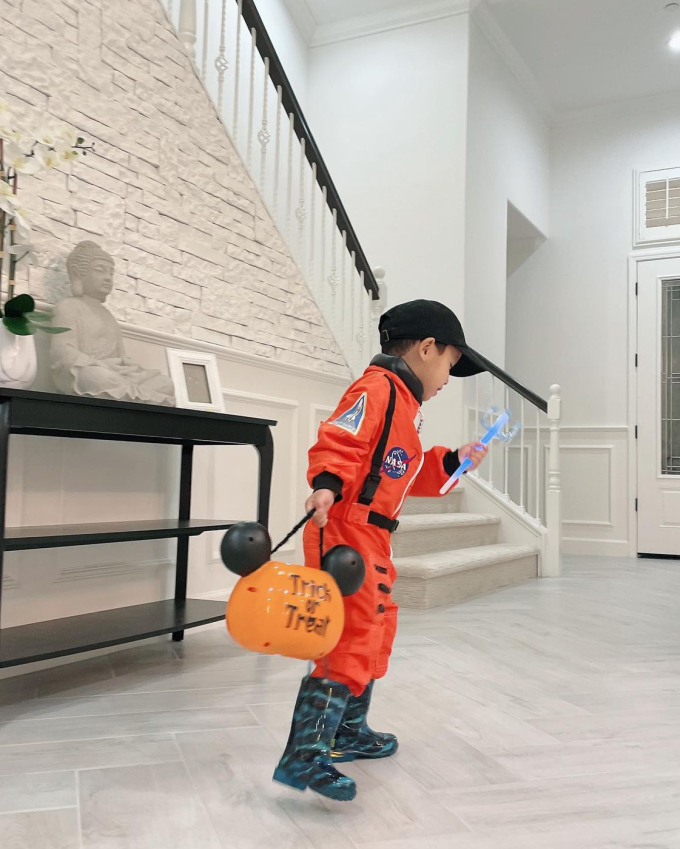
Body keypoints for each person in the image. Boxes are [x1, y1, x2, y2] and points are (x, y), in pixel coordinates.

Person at [273, 299, 490, 801]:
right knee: (347, 635)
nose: (448, 379)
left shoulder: (406, 406)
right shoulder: (376, 389)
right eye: (450, 365)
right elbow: (341, 438)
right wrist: (326, 484)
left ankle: (348, 732)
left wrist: (453, 461)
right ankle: (304, 753)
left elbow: (405, 472)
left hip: (373, 535)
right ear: (427, 348)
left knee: (376, 626)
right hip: (344, 528)